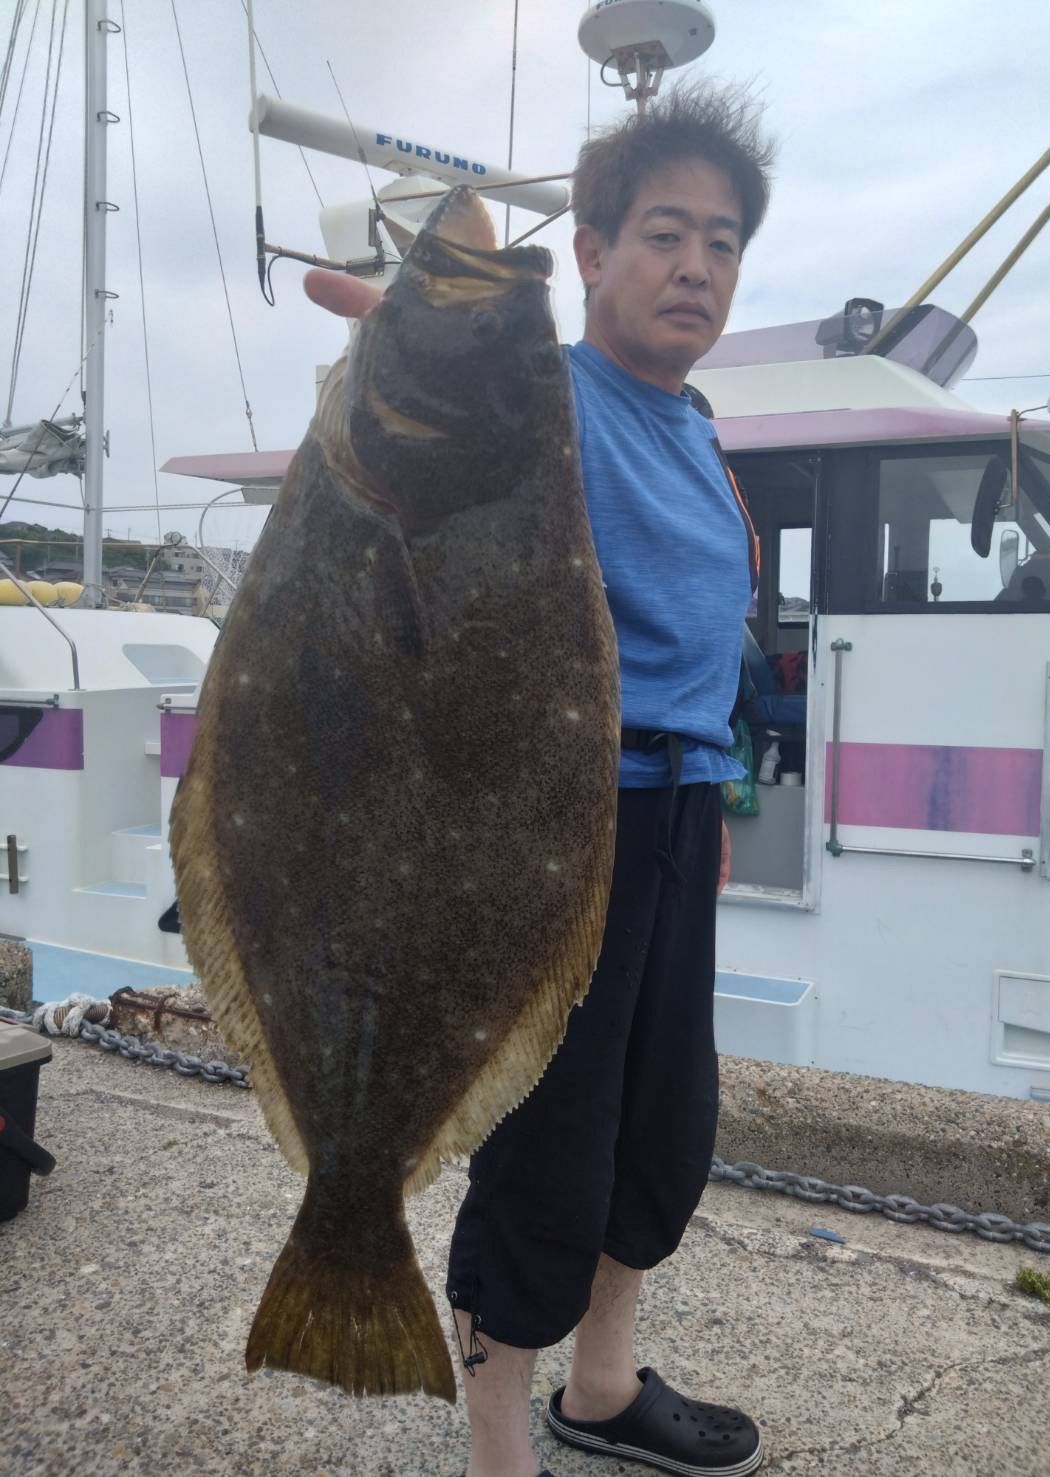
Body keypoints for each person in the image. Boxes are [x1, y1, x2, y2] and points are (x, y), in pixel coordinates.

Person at [306, 82, 773, 1477]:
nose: (695, 267)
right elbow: (423, 478)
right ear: (592, 251)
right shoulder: (539, 395)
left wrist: (714, 796)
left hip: (676, 813)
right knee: (548, 1145)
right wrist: (405, 342)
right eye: (665, 235)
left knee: (660, 1126)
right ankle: (499, 1446)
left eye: (723, 244)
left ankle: (603, 1384)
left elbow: (708, 644)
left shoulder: (697, 427)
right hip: (555, 823)